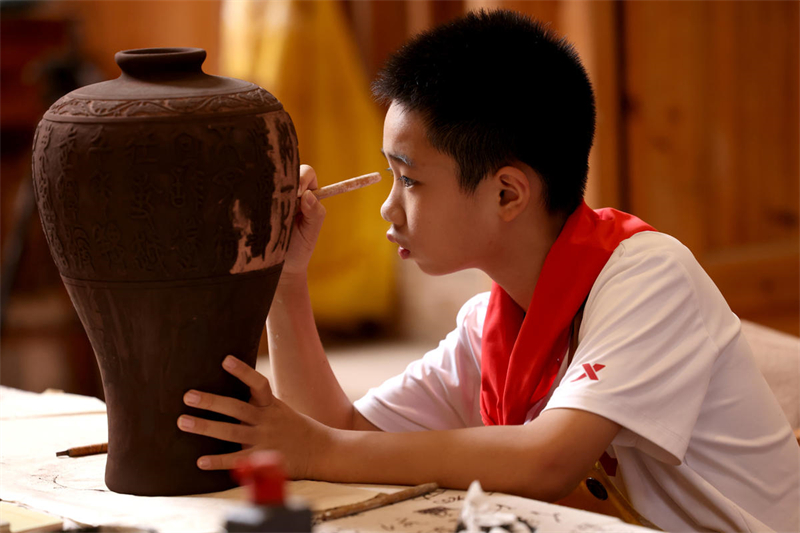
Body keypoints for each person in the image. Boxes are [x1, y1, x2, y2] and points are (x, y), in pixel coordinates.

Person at [176, 9, 799, 532]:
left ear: (507, 194)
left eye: (410, 179)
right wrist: (287, 282)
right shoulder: (490, 323)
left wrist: (321, 448)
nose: (389, 207)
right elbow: (338, 434)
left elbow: (548, 459)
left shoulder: (649, 277)